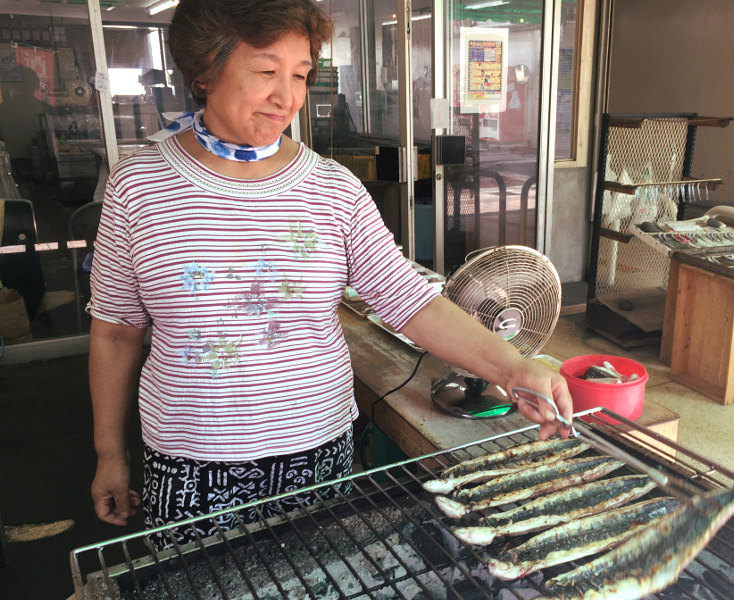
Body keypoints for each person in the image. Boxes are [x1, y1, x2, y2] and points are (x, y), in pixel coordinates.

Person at [88, 0, 572, 549]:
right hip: (192, 461)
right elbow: (115, 329)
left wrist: (513, 366)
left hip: (315, 451)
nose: (288, 97)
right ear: (204, 71)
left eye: (300, 75)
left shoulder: (333, 188)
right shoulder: (140, 186)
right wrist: (111, 453)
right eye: (267, 72)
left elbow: (411, 301)